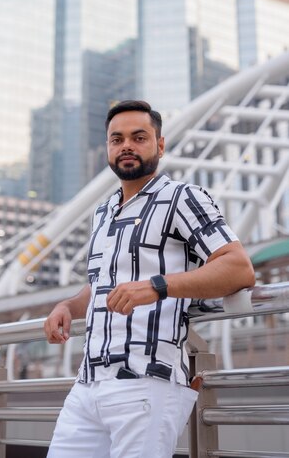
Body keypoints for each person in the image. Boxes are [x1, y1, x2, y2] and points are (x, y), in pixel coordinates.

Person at [44, 100, 255, 458]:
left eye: (139, 137)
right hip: (87, 386)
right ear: (108, 149)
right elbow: (101, 285)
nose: (126, 145)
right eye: (117, 139)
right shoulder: (104, 213)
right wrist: (67, 305)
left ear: (160, 145)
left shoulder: (182, 198)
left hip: (147, 384)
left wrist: (158, 285)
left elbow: (238, 267)